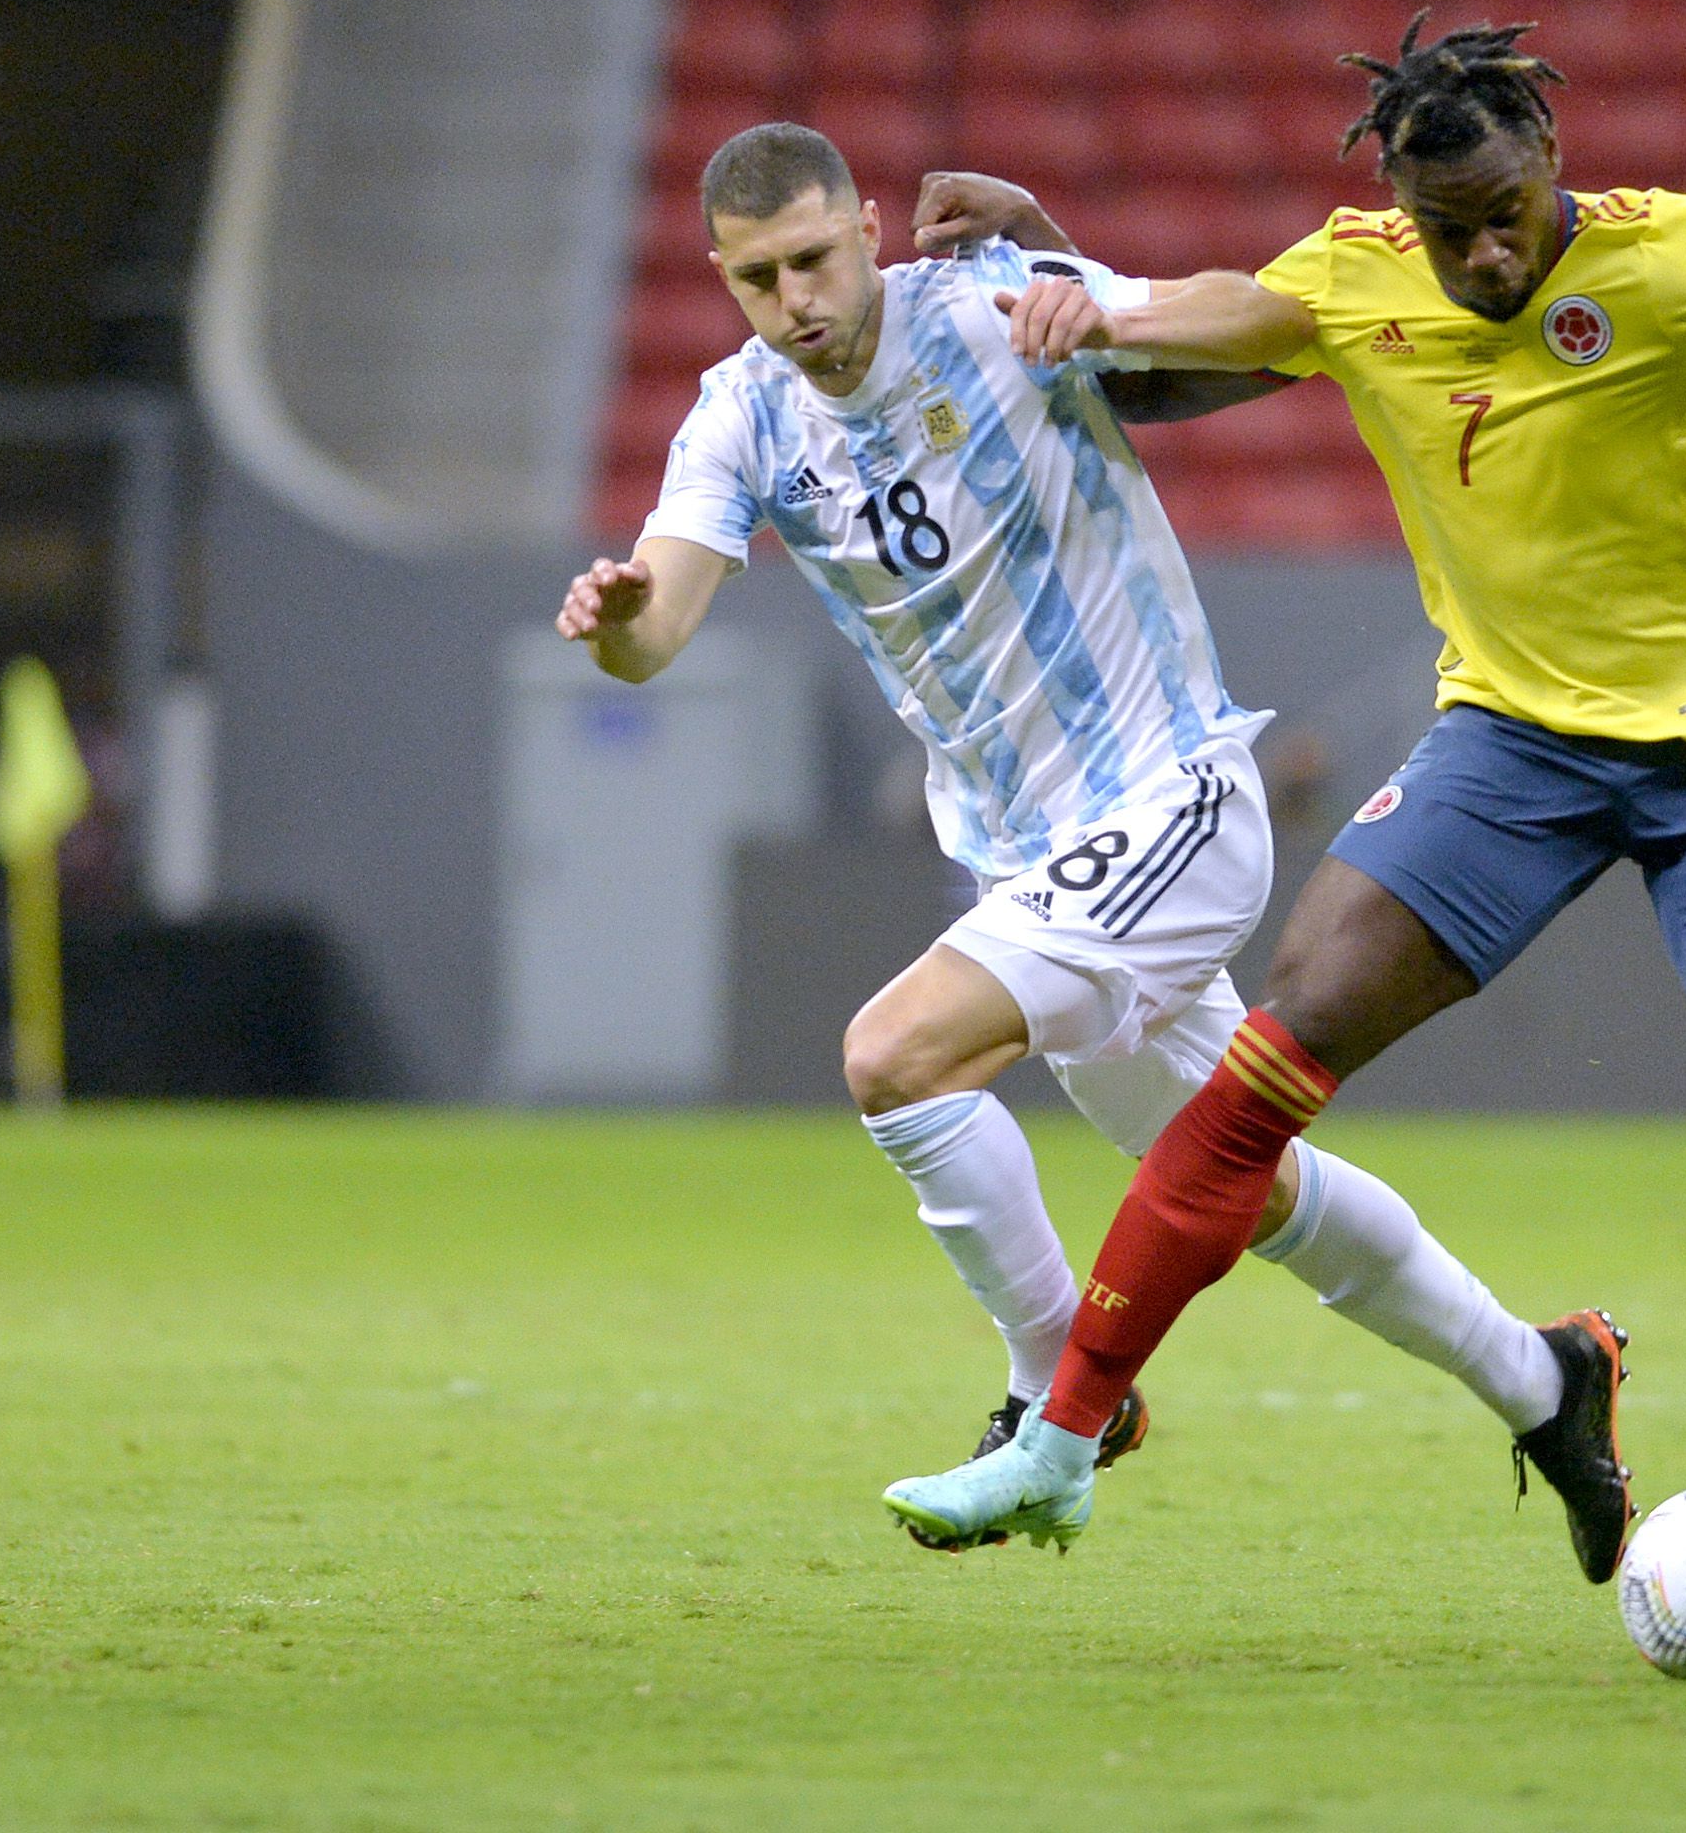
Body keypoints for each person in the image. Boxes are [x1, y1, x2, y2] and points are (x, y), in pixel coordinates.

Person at [885, 15, 1686, 1671]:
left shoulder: (1655, 256)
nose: (1487, 251)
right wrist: (1048, 263)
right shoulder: (1368, 278)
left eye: (1507, 210)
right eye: (1454, 228)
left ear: (1550, 170)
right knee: (1270, 1055)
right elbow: (1178, 344)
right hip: (1508, 746)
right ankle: (1062, 1446)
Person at [553, 122, 1628, 1573]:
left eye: (814, 258)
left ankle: (1059, 1393)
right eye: (757, 278)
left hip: (1171, 801)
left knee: (894, 1056)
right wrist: (622, 626)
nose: (795, 299)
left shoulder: (995, 302)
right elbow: (660, 620)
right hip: (1033, 861)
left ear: (869, 230)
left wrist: (1103, 304)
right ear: (723, 280)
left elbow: (1264, 324)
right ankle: (1544, 1379)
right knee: (1255, 1191)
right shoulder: (738, 417)